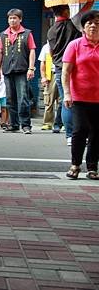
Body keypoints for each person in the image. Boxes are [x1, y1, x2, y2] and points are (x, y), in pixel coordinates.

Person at [48, 2, 92, 146]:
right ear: (66, 11)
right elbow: (85, 10)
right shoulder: (72, 24)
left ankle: (69, 135)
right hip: (75, 67)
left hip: (60, 68)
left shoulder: (51, 31)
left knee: (66, 101)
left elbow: (51, 52)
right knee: (77, 102)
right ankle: (77, 133)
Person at [63, 10, 99, 180]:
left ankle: (92, 167)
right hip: (79, 97)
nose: (93, 26)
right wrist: (67, 93)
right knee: (80, 130)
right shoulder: (75, 45)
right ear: (83, 27)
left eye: (97, 23)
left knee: (97, 133)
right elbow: (66, 72)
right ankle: (75, 165)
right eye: (89, 23)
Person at [0, 8, 36, 134]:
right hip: (7, 71)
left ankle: (25, 124)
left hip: (22, 71)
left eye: (15, 18)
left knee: (23, 98)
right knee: (10, 99)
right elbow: (0, 53)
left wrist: (31, 68)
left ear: (20, 19)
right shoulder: (3, 35)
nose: (12, 20)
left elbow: (32, 50)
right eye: (10, 18)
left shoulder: (27, 33)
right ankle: (13, 124)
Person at [38, 42, 61, 132]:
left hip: (62, 72)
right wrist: (43, 77)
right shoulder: (46, 47)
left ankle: (61, 123)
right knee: (49, 100)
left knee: (62, 101)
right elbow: (42, 63)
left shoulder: (65, 43)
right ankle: (48, 123)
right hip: (50, 74)